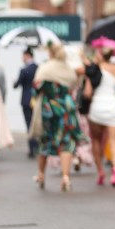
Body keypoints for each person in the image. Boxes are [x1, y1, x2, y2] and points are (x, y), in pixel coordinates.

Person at [32, 44, 86, 191]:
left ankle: (41, 174)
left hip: (49, 109)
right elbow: (74, 84)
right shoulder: (68, 69)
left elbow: (36, 87)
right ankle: (65, 177)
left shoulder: (45, 68)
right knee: (66, 142)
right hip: (66, 108)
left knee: (45, 140)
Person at [84, 40, 115, 187]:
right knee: (114, 141)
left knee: (96, 140)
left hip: (97, 107)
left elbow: (88, 93)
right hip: (114, 107)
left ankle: (100, 172)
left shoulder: (93, 70)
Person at [14, 47, 39, 157]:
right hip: (36, 99)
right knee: (37, 123)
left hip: (26, 100)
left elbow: (17, 84)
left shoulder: (24, 70)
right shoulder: (38, 68)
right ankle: (37, 145)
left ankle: (32, 147)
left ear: (27, 55)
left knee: (29, 124)